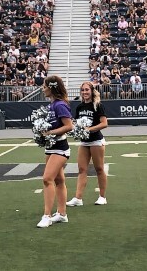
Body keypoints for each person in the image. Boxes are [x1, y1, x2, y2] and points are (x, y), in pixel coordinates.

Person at [36, 75, 73, 228]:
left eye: (44, 86)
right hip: (51, 147)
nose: (42, 89)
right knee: (59, 180)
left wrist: (50, 133)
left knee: (47, 179)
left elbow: (69, 126)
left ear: (51, 87)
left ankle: (47, 215)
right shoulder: (51, 105)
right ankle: (62, 214)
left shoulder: (59, 105)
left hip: (60, 148)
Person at [67, 82, 109, 207]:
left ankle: (102, 197)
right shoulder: (79, 107)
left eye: (87, 90)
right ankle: (78, 198)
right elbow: (76, 123)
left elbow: (104, 123)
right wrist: (77, 130)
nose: (84, 92)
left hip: (96, 140)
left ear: (92, 91)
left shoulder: (97, 105)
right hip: (84, 142)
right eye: (82, 90)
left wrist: (89, 129)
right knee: (81, 169)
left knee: (99, 169)